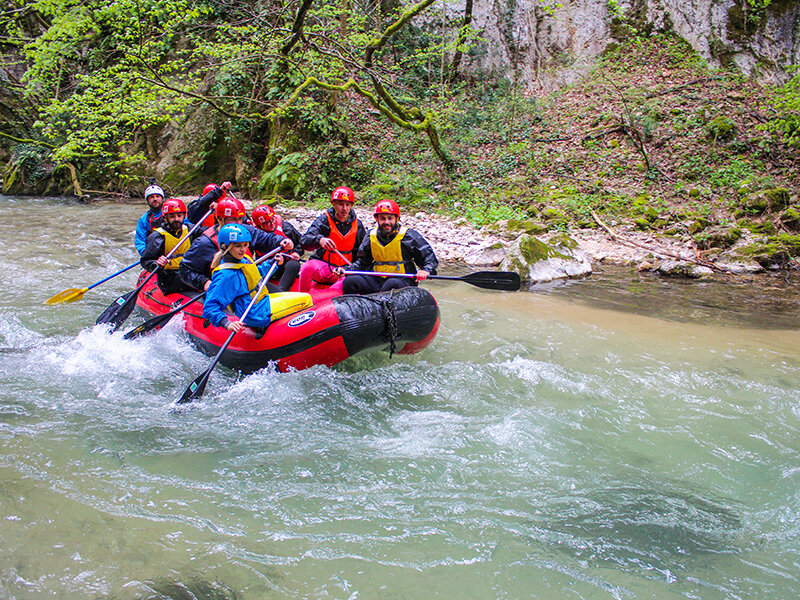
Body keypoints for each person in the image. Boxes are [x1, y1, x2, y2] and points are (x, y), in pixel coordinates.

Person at [179, 198, 293, 292]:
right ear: (220, 219)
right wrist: (204, 283)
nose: (238, 224)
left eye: (240, 219)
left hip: (247, 283)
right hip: (223, 290)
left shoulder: (246, 230)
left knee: (282, 297)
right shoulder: (204, 243)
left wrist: (281, 241)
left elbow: (267, 239)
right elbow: (185, 269)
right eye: (233, 219)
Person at [340, 199, 438, 294]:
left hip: (402, 280)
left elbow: (429, 258)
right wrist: (347, 270)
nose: (386, 222)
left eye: (390, 218)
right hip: (378, 279)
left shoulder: (409, 236)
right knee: (350, 281)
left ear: (397, 219)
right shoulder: (371, 236)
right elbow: (363, 262)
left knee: (391, 284)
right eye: (382, 218)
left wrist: (426, 270)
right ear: (377, 219)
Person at [202, 224, 281, 333]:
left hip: (261, 303)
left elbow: (253, 274)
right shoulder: (225, 275)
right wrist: (226, 323)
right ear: (225, 246)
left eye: (245, 245)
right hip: (255, 313)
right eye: (238, 246)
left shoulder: (244, 259)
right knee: (306, 300)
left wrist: (271, 263)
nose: (243, 249)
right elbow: (210, 307)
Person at [298, 186, 367, 291]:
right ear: (333, 204)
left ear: (351, 206)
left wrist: (351, 270)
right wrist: (319, 240)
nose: (344, 209)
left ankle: (329, 298)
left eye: (347, 205)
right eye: (340, 204)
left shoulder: (358, 225)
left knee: (346, 282)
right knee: (307, 268)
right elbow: (304, 241)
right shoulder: (324, 220)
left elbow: (363, 254)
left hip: (344, 269)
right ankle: (302, 298)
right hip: (324, 266)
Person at [139, 199, 200, 295]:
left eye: (179, 216)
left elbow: (211, 233)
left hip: (187, 272)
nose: (176, 219)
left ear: (184, 216)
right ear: (165, 218)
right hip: (169, 278)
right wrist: (156, 263)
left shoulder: (190, 229)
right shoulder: (157, 236)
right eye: (172, 216)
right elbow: (145, 261)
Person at [251, 204, 302, 291]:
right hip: (266, 267)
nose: (271, 223)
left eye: (272, 219)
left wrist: (296, 252)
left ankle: (281, 289)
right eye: (266, 223)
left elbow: (301, 242)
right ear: (259, 225)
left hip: (285, 264)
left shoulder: (286, 228)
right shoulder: (255, 236)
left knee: (294, 264)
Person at [134, 184, 166, 255]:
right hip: (154, 253)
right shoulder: (144, 219)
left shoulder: (172, 213)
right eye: (152, 197)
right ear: (147, 200)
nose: (155, 199)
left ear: (162, 198)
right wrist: (147, 255)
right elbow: (140, 241)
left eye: (157, 196)